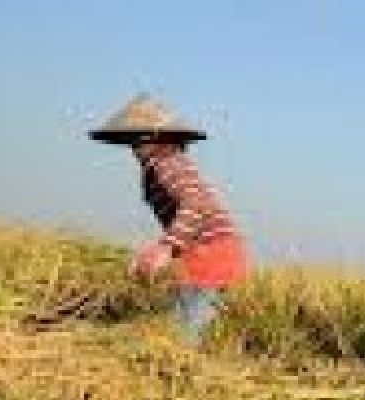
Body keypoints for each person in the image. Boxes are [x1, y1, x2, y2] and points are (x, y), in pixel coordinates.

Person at [89, 94, 248, 345]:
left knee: (181, 339)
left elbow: (196, 204)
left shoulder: (167, 162)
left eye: (137, 139)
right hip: (209, 252)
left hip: (210, 255)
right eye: (131, 140)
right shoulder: (163, 164)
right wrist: (157, 253)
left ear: (153, 138)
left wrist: (166, 247)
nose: (133, 148)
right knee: (187, 329)